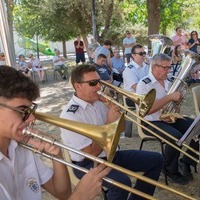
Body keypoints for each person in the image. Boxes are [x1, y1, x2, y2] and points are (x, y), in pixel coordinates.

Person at [0, 65, 110, 200]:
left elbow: (62, 193)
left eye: (30, 111)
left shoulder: (21, 147)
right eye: (22, 110)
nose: (32, 118)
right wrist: (79, 197)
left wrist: (57, 156)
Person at [60, 64, 164, 200]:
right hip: (88, 163)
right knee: (121, 183)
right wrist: (109, 123)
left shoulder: (98, 103)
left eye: (99, 81)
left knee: (156, 160)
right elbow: (90, 153)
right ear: (78, 86)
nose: (99, 87)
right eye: (93, 83)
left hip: (110, 154)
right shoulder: (71, 115)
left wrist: (115, 113)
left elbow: (120, 130)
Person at [136, 53, 199, 185]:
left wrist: (177, 103)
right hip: (150, 121)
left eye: (169, 67)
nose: (168, 71)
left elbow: (176, 105)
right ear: (155, 67)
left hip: (169, 118)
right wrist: (169, 97)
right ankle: (169, 169)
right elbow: (147, 109)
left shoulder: (170, 80)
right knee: (175, 136)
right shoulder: (144, 84)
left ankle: (187, 162)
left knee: (197, 127)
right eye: (165, 68)